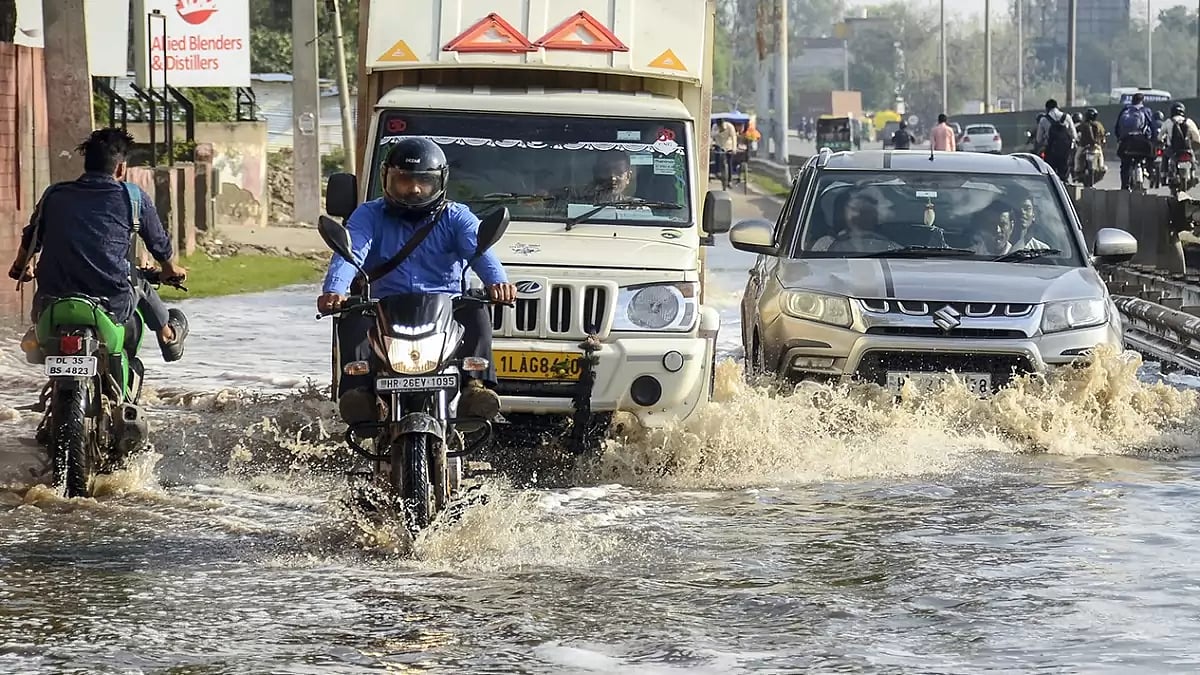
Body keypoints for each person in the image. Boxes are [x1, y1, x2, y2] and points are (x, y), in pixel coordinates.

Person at [317, 136, 517, 425]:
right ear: (387, 179)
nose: (414, 188)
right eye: (404, 180)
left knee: (475, 306)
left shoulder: (456, 216)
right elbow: (351, 253)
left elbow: (480, 251)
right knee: (352, 313)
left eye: (423, 181)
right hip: (382, 312)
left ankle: (475, 387)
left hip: (444, 313)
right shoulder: (368, 215)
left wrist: (498, 283)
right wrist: (334, 291)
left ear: (439, 182)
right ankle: (359, 395)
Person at [6, 127, 189, 362]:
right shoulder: (133, 197)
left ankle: (40, 336)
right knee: (139, 283)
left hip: (52, 300)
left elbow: (32, 237)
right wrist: (171, 270)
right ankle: (168, 336)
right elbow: (159, 244)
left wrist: (22, 266)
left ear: (87, 164)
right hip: (111, 300)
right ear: (121, 168)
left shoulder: (54, 195)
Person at [1113, 92, 1159, 190]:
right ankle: (1151, 172)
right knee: (1151, 155)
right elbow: (1153, 128)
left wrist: (1120, 139)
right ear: (1142, 101)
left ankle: (1124, 186)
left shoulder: (1125, 110)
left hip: (1127, 143)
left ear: (1132, 100)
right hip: (1142, 143)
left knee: (1125, 164)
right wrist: (1154, 141)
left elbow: (1117, 128)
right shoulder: (1146, 111)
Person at [1035, 99, 1077, 182]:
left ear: (1047, 108)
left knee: (1050, 174)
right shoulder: (1067, 117)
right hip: (1065, 151)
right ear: (1057, 107)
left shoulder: (1043, 120)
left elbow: (1039, 139)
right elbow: (1074, 135)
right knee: (1064, 174)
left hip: (1051, 151)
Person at [1159, 101, 1200, 182]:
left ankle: (1164, 175)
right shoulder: (1189, 121)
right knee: (1193, 159)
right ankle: (1193, 174)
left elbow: (1160, 135)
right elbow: (1196, 136)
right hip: (1186, 148)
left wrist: (1160, 141)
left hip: (1173, 149)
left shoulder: (1168, 122)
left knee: (1165, 156)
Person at [1074, 108, 1108, 180]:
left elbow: (1075, 132)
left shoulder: (1083, 124)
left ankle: (1077, 171)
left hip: (1084, 146)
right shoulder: (1099, 125)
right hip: (1095, 146)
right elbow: (1103, 134)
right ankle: (1101, 168)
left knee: (1077, 157)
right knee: (1101, 157)